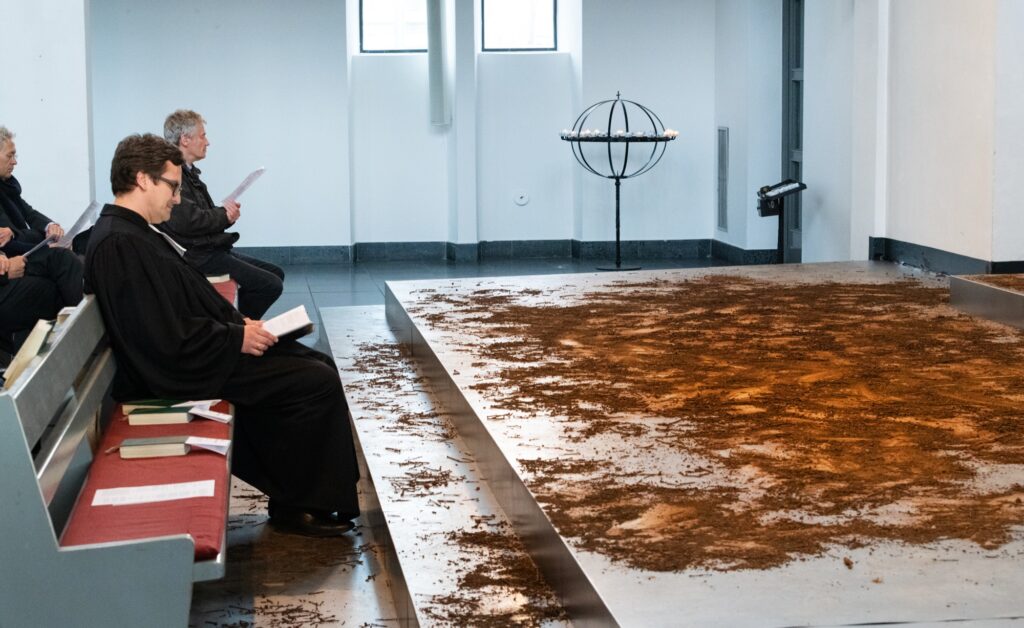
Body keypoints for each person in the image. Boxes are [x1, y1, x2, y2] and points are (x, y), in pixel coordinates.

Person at [85, 134, 358, 537]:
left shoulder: (133, 232)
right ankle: (300, 502)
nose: (177, 198)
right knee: (313, 381)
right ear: (142, 179)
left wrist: (239, 325)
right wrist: (234, 338)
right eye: (172, 187)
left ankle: (300, 497)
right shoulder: (121, 242)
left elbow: (175, 308)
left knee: (316, 363)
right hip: (175, 370)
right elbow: (158, 337)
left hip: (194, 352)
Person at [160, 110, 283, 319]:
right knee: (271, 285)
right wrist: (224, 215)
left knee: (276, 274)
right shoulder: (174, 174)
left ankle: (236, 322)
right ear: (185, 139)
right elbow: (189, 221)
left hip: (208, 248)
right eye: (202, 136)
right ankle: (236, 328)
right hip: (199, 256)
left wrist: (226, 216)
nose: (207, 142)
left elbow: (202, 215)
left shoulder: (188, 172)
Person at [0, 126, 83, 350]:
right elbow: (11, 240)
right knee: (62, 262)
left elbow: (29, 213)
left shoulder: (7, 187)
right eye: (10, 155)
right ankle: (88, 338)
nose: (15, 161)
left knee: (70, 260)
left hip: (15, 262)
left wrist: (49, 226)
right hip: (11, 268)